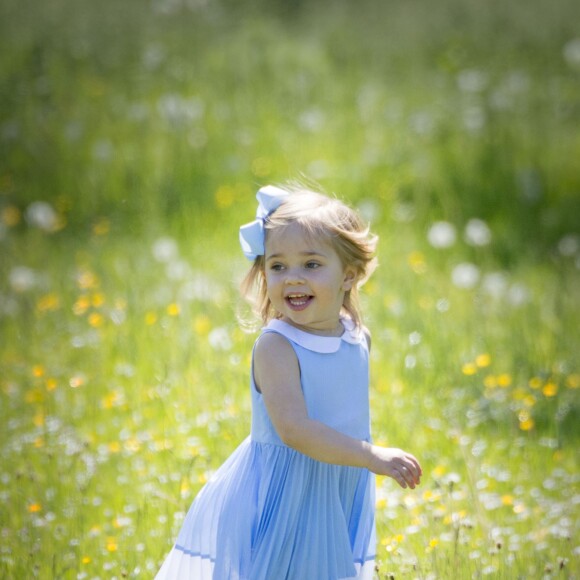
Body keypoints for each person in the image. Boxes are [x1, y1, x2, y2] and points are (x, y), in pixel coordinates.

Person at [155, 184, 422, 580]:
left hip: (334, 483)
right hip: (285, 493)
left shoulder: (356, 336)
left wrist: (361, 457)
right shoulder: (277, 347)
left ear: (348, 275)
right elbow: (295, 430)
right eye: (278, 266)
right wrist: (371, 456)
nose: (292, 279)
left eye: (311, 265)